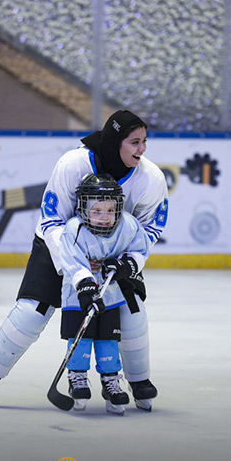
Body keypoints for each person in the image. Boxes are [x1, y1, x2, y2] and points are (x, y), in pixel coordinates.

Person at [0, 109, 169, 411]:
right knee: (32, 311)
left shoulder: (150, 178)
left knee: (131, 309)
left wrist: (130, 263)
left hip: (114, 252)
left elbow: (150, 227)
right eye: (135, 142)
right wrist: (79, 275)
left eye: (144, 141)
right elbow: (52, 221)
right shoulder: (73, 164)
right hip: (62, 244)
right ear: (116, 142)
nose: (143, 149)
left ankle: (139, 381)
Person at [60, 174, 151, 415]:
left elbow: (141, 250)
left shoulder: (128, 225)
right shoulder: (74, 230)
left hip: (111, 296)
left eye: (110, 210)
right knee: (80, 338)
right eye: (97, 210)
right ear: (83, 209)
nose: (104, 217)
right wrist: (86, 285)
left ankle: (111, 383)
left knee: (108, 340)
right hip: (77, 296)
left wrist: (127, 265)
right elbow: (71, 262)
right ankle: (77, 378)